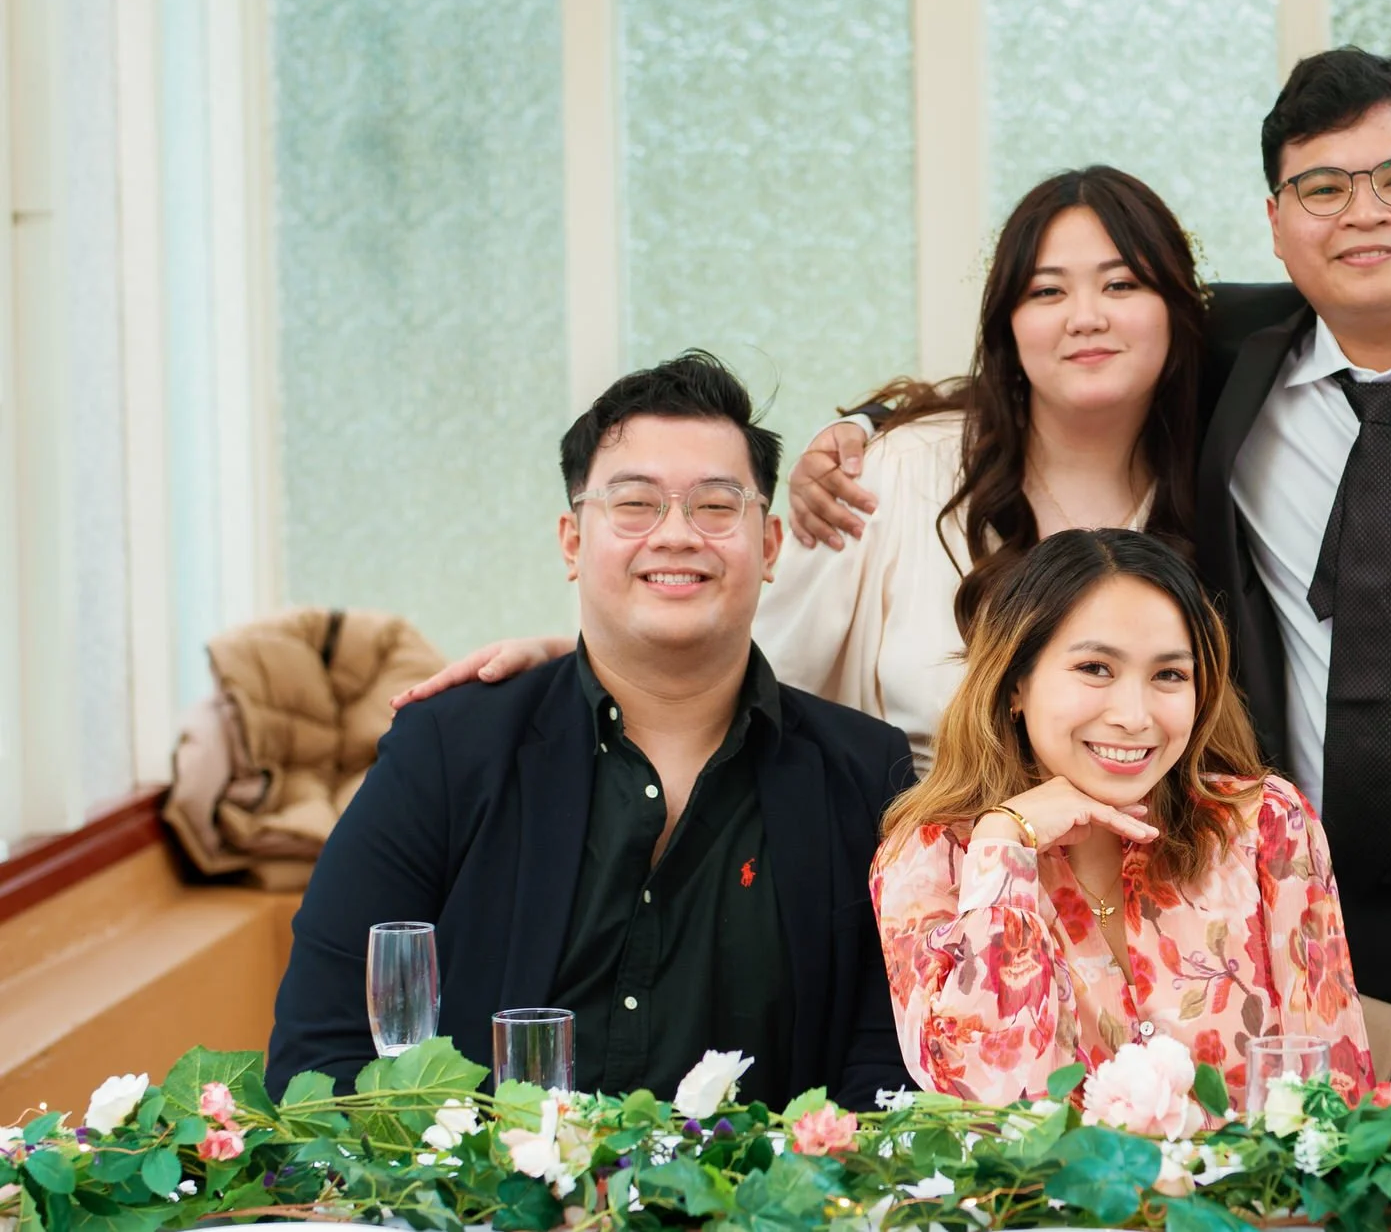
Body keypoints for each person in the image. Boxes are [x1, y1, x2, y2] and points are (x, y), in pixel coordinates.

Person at [790, 48, 1391, 1079]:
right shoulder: (1237, 355)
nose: (1361, 214)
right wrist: (865, 424)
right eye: (1320, 188)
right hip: (1271, 913)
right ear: (1276, 224)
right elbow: (1057, 360)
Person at [392, 166, 1209, 774]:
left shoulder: (1229, 476)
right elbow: (748, 665)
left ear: (1177, 302)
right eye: (1046, 291)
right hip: (916, 911)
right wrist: (586, 665)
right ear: (1007, 322)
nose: (1087, 318)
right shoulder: (893, 474)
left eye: (1122, 283)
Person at [267, 352, 916, 1108]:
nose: (676, 535)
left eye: (715, 505)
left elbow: (888, 1067)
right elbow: (327, 1047)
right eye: (635, 504)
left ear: (769, 546)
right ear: (573, 541)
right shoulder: (449, 751)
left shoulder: (863, 775)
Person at [871, 528, 1373, 1105]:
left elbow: (1333, 1096)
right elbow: (992, 1098)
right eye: (1096, 668)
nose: (1135, 716)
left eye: (1169, 675)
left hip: (1252, 1195)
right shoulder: (929, 857)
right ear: (1015, 684)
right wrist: (1005, 843)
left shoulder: (1264, 824)